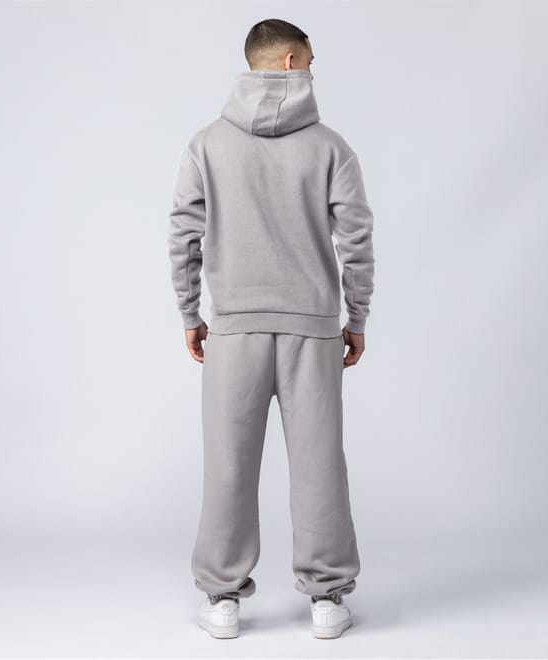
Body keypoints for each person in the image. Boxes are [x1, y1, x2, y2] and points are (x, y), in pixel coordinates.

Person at [167, 18, 375, 640]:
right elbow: (356, 239)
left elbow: (183, 234)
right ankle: (327, 599)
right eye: (310, 59)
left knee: (228, 463)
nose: (313, 69)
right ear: (289, 62)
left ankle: (221, 598)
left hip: (234, 329)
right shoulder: (331, 147)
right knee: (319, 464)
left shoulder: (207, 145)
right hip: (313, 328)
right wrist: (356, 315)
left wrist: (191, 313)